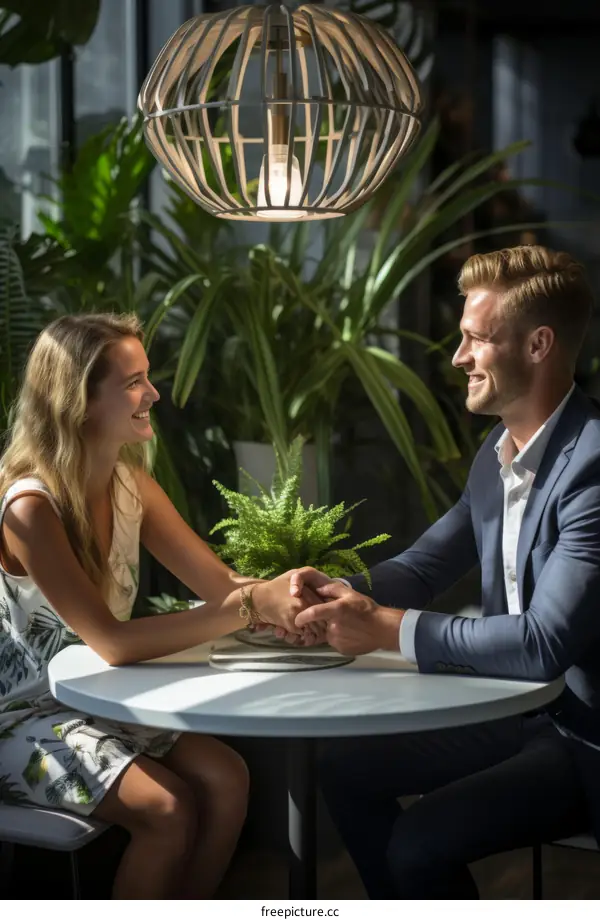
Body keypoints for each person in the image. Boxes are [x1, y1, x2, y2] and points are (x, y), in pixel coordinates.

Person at [289, 244, 600, 899]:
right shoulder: (499, 450)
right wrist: (329, 595)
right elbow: (427, 565)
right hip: (519, 713)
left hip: (582, 737)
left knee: (418, 845)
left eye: (475, 339)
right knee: (342, 769)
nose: (458, 357)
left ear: (538, 345)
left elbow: (544, 643)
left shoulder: (592, 467)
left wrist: (384, 628)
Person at [0, 312, 313, 900]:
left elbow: (220, 583)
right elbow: (112, 643)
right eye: (133, 382)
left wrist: (293, 598)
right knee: (167, 809)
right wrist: (253, 605)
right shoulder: (28, 509)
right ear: (80, 401)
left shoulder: (129, 484)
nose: (154, 393)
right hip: (19, 719)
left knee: (227, 777)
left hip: (95, 699)